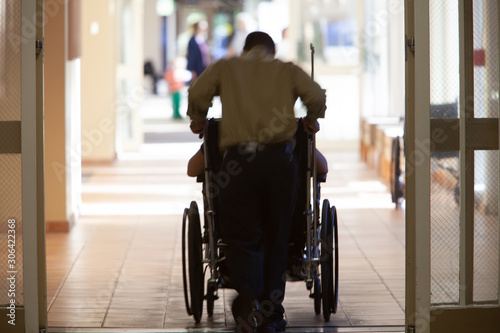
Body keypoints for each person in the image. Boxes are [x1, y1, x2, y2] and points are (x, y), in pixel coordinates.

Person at [187, 32, 326, 333]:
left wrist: (198, 118)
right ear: (271, 51)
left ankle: (248, 304)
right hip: (279, 161)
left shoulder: (226, 67)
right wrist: (312, 118)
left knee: (243, 236)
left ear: (246, 49)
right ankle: (271, 312)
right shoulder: (286, 70)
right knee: (276, 236)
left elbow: (198, 92)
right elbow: (315, 96)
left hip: (239, 163)